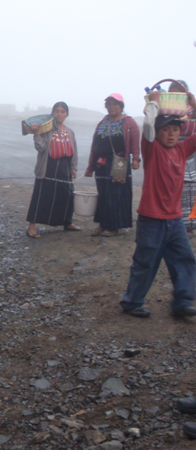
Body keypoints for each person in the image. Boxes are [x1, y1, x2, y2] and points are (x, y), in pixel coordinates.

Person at [119, 90, 196, 319]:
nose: (171, 134)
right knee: (145, 263)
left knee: (184, 259)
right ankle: (132, 302)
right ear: (158, 132)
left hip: (175, 221)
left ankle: (182, 302)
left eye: (175, 129)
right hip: (151, 220)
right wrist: (153, 103)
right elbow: (148, 126)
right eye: (165, 129)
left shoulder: (182, 150)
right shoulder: (152, 149)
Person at [84, 93, 140, 237]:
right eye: (109, 104)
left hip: (119, 162)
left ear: (121, 106)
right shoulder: (103, 122)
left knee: (116, 193)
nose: (111, 107)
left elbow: (135, 141)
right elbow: (94, 144)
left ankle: (113, 227)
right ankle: (103, 224)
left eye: (115, 104)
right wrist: (90, 166)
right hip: (101, 164)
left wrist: (136, 159)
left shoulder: (129, 122)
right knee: (102, 193)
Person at [26, 102, 81, 238]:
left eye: (63, 111)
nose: (60, 114)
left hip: (65, 167)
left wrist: (73, 168)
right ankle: (31, 227)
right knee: (41, 196)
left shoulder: (70, 132)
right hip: (48, 167)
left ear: (67, 114)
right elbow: (41, 148)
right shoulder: (46, 130)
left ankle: (67, 222)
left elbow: (74, 151)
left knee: (66, 196)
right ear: (53, 113)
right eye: (57, 111)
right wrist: (37, 134)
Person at [168, 81, 196, 235]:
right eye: (173, 92)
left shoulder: (192, 109)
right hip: (170, 155)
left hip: (190, 156)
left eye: (179, 91)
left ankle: (189, 227)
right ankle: (172, 223)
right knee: (172, 191)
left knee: (189, 193)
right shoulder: (166, 109)